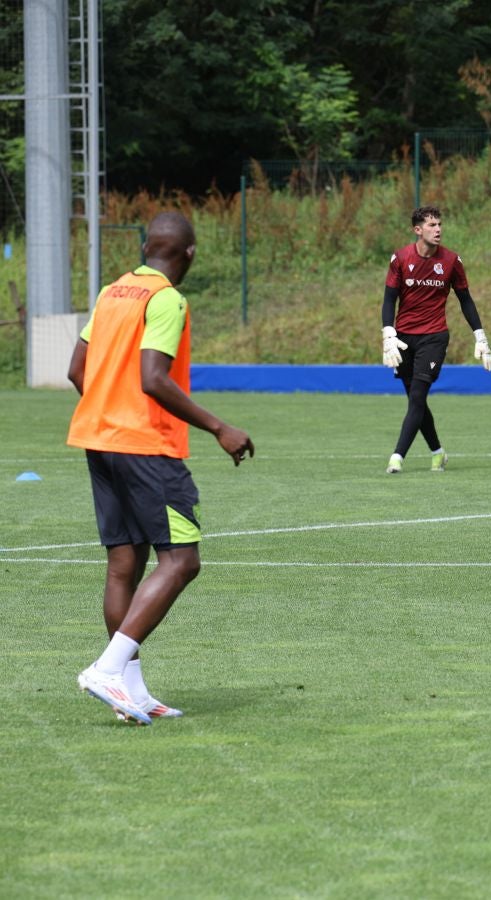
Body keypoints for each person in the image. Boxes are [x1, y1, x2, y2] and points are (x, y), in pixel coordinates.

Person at [67, 211, 254, 725]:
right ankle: (108, 669)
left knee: (124, 564)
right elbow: (153, 377)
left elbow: (76, 369)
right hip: (145, 447)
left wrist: (109, 411)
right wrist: (220, 427)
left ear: (148, 245)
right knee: (181, 562)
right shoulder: (167, 298)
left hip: (98, 441)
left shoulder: (112, 293)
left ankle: (131, 693)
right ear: (188, 253)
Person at [380, 206, 491, 474]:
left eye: (439, 224)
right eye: (431, 225)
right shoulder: (400, 258)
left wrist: (480, 336)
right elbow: (389, 299)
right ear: (417, 230)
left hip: (434, 337)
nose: (438, 229)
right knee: (415, 401)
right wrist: (387, 332)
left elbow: (465, 300)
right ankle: (438, 453)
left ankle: (397, 457)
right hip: (404, 338)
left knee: (418, 395)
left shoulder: (452, 261)